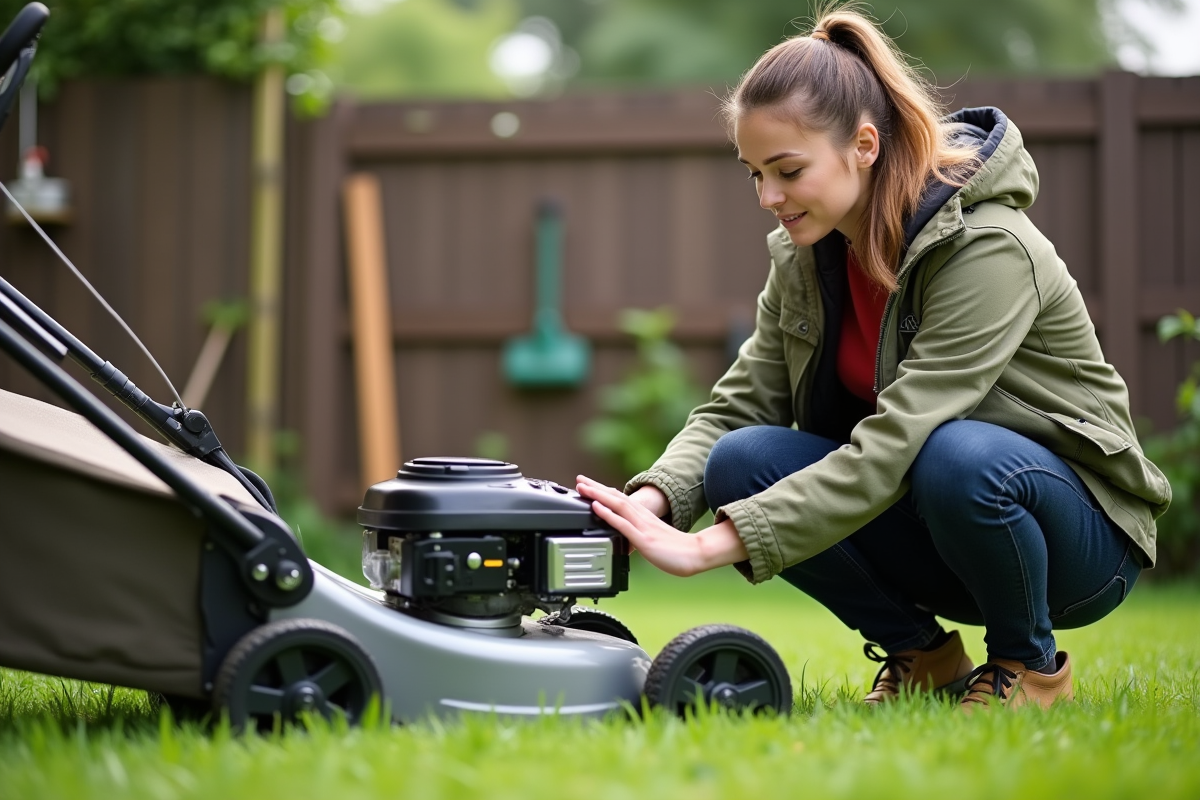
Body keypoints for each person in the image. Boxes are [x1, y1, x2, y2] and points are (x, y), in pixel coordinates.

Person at [575, 6, 1170, 711]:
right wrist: (654, 503)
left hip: (1076, 542)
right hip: (936, 524)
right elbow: (738, 405)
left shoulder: (987, 248)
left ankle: (1029, 667)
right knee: (739, 458)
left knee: (957, 453)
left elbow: (900, 440)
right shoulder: (809, 257)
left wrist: (710, 549)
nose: (769, 197)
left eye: (787, 170)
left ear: (863, 144)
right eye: (754, 173)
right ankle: (922, 655)